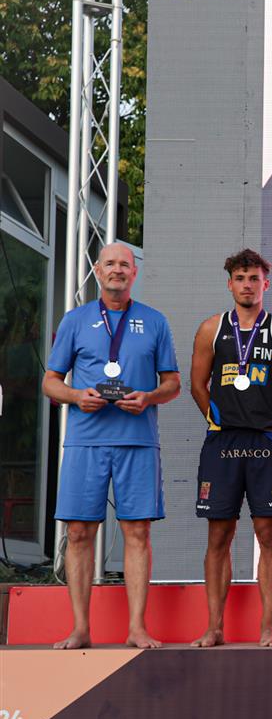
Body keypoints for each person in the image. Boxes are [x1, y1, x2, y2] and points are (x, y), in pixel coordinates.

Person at [43, 243, 181, 649]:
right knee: (80, 532)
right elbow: (50, 381)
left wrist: (148, 397)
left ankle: (137, 627)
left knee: (137, 532)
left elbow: (173, 383)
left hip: (138, 441)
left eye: (125, 264)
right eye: (110, 264)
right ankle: (81, 628)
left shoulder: (154, 321)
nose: (118, 270)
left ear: (134, 273)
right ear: (97, 272)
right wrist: (74, 396)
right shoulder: (75, 320)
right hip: (86, 440)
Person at [190, 249, 272, 648]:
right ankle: (213, 627)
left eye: (254, 278)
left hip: (266, 442)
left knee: (268, 533)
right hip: (222, 442)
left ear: (265, 284)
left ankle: (268, 626)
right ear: (230, 284)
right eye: (240, 278)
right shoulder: (210, 329)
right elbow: (197, 386)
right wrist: (218, 419)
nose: (247, 285)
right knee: (218, 535)